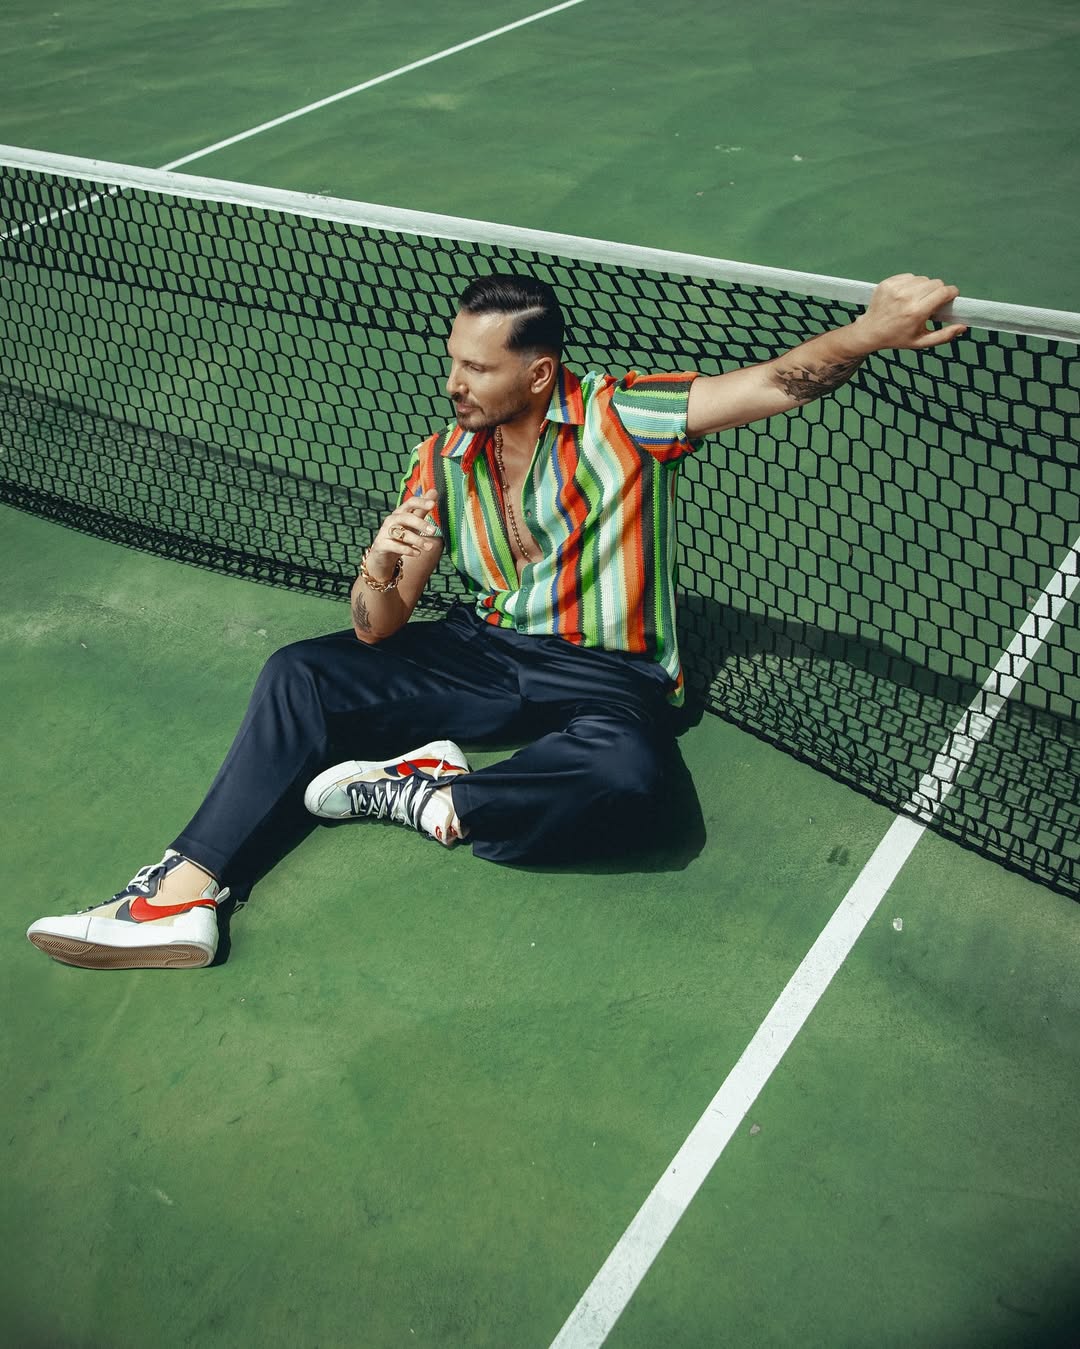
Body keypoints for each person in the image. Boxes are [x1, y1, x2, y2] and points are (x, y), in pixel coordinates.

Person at [26, 271, 965, 970]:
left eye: (477, 367)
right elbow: (375, 629)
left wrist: (869, 333)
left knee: (634, 778)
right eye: (452, 361)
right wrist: (379, 561)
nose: (454, 382)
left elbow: (774, 383)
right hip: (484, 651)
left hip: (610, 674)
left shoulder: (620, 418)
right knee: (300, 673)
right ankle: (185, 892)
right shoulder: (441, 459)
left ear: (539, 371)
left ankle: (431, 796)